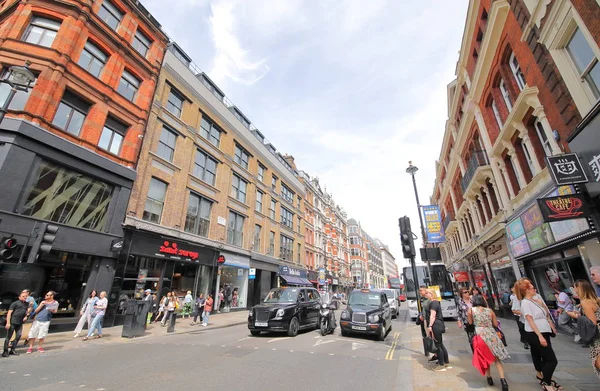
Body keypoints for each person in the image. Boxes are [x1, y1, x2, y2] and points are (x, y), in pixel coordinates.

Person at [517, 278, 561, 391]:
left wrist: (550, 324)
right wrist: (540, 336)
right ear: (527, 290)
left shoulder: (533, 300)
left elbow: (545, 314)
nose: (534, 289)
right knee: (552, 360)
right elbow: (530, 320)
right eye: (532, 288)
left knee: (547, 358)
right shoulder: (526, 303)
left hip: (544, 331)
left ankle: (547, 380)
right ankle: (546, 383)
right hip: (536, 334)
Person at [468, 294, 509, 390]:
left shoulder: (471, 311)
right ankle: (503, 380)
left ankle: (489, 377)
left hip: (480, 335)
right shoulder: (490, 310)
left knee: (485, 357)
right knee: (496, 358)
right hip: (491, 334)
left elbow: (470, 323)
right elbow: (495, 324)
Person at [566, 279, 600, 378]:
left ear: (578, 289)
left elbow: (592, 322)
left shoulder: (585, 302)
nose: (573, 289)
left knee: (597, 360)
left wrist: (575, 316)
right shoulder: (594, 299)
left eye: (574, 287)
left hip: (596, 335)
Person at [426, 289, 449, 371]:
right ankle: (446, 362)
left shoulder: (433, 303)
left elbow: (433, 316)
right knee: (440, 344)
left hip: (435, 325)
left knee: (438, 346)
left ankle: (441, 364)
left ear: (431, 294)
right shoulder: (437, 302)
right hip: (439, 325)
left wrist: (430, 326)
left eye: (427, 293)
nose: (426, 295)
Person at [3, 291, 30, 357]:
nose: (25, 297)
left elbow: (26, 312)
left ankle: (12, 349)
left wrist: (26, 316)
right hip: (12, 322)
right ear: (19, 297)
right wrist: (8, 323)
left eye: (26, 296)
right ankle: (5, 351)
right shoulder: (15, 303)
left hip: (20, 323)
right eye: (23, 296)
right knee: (8, 337)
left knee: (18, 335)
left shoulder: (26, 304)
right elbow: (9, 313)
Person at [510, 285, 529, 350]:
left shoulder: (528, 295)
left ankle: (528, 340)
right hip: (519, 315)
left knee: (527, 327)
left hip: (528, 314)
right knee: (521, 327)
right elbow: (513, 309)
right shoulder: (515, 297)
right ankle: (525, 341)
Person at [457, 288, 475, 352]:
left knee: (479, 337)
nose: (467, 293)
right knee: (471, 337)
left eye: (468, 291)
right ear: (462, 294)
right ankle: (475, 352)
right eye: (465, 292)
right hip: (467, 322)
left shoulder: (473, 300)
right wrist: (459, 321)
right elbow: (459, 312)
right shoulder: (460, 302)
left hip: (477, 321)